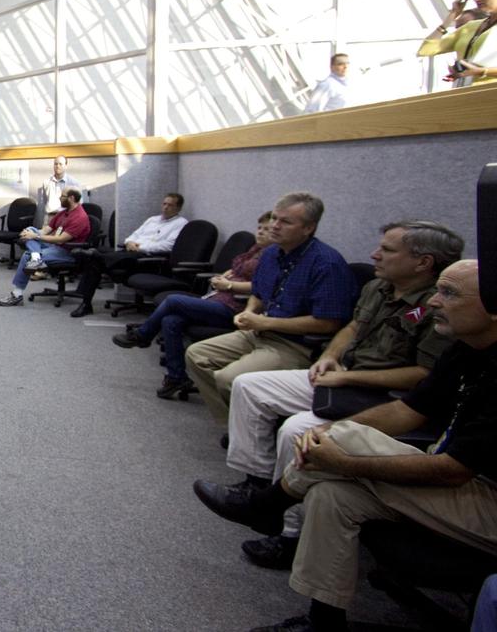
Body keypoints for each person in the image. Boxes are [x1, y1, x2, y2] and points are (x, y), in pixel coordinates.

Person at [193, 260, 497, 632]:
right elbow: (407, 411)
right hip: (459, 480)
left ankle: (266, 504)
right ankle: (324, 622)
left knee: (339, 445)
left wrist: (342, 459)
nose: (434, 301)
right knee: (333, 495)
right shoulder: (466, 349)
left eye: (449, 293)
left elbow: (453, 471)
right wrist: (332, 430)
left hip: (486, 501)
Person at [219, 220, 462, 570]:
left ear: (423, 262)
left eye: (387, 250)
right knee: (249, 386)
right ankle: (255, 484)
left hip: (386, 393)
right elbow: (352, 327)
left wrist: (348, 377)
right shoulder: (378, 287)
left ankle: (289, 534)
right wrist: (331, 357)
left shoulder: (436, 306)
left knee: (295, 430)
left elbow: (424, 376)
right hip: (344, 376)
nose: (374, 255)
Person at [185, 192, 356, 425]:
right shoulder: (271, 253)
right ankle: (233, 423)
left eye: (285, 222)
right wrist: (250, 311)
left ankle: (249, 428)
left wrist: (266, 322)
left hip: (296, 344)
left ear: (308, 228)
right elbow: (258, 292)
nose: (275, 225)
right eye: (274, 218)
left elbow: (328, 323)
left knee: (228, 378)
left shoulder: (327, 264)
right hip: (260, 331)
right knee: (197, 355)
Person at [113, 211, 273, 400]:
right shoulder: (255, 250)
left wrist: (230, 285)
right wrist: (224, 276)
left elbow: (262, 287)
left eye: (266, 229)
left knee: (173, 300)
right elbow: (237, 268)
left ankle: (143, 335)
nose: (260, 232)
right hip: (217, 298)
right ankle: (176, 377)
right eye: (259, 227)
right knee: (171, 320)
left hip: (236, 307)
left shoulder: (273, 256)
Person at [64, 193, 189, 318]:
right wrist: (129, 242)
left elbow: (168, 246)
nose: (165, 207)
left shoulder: (180, 223)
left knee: (95, 259)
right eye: (164, 204)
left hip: (149, 259)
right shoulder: (153, 220)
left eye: (170, 205)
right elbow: (133, 236)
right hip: (131, 254)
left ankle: (95, 261)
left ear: (178, 208)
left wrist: (140, 247)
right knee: (95, 262)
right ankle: (86, 303)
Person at [0, 188, 91, 307]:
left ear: (71, 198)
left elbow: (61, 239)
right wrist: (30, 233)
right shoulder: (63, 213)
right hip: (55, 246)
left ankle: (17, 295)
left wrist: (35, 236)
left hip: (68, 252)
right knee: (30, 229)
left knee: (27, 255)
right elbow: (46, 230)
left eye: (62, 196)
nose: (60, 198)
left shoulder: (80, 217)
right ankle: (36, 257)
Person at [418, 0, 497, 86]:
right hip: (465, 91)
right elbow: (425, 50)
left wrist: (482, 71)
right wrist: (452, 16)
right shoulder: (470, 27)